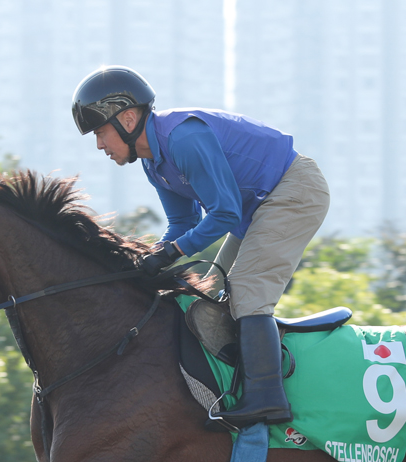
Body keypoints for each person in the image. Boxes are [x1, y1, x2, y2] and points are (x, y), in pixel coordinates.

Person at [71, 65, 330, 427]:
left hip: (294, 189)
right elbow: (182, 223)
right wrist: (150, 256)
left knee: (247, 289)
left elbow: (224, 214)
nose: (100, 145)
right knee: (215, 289)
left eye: (100, 132)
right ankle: (236, 382)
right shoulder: (152, 162)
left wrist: (171, 253)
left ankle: (268, 398)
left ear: (128, 119)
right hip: (257, 207)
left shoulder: (183, 140)